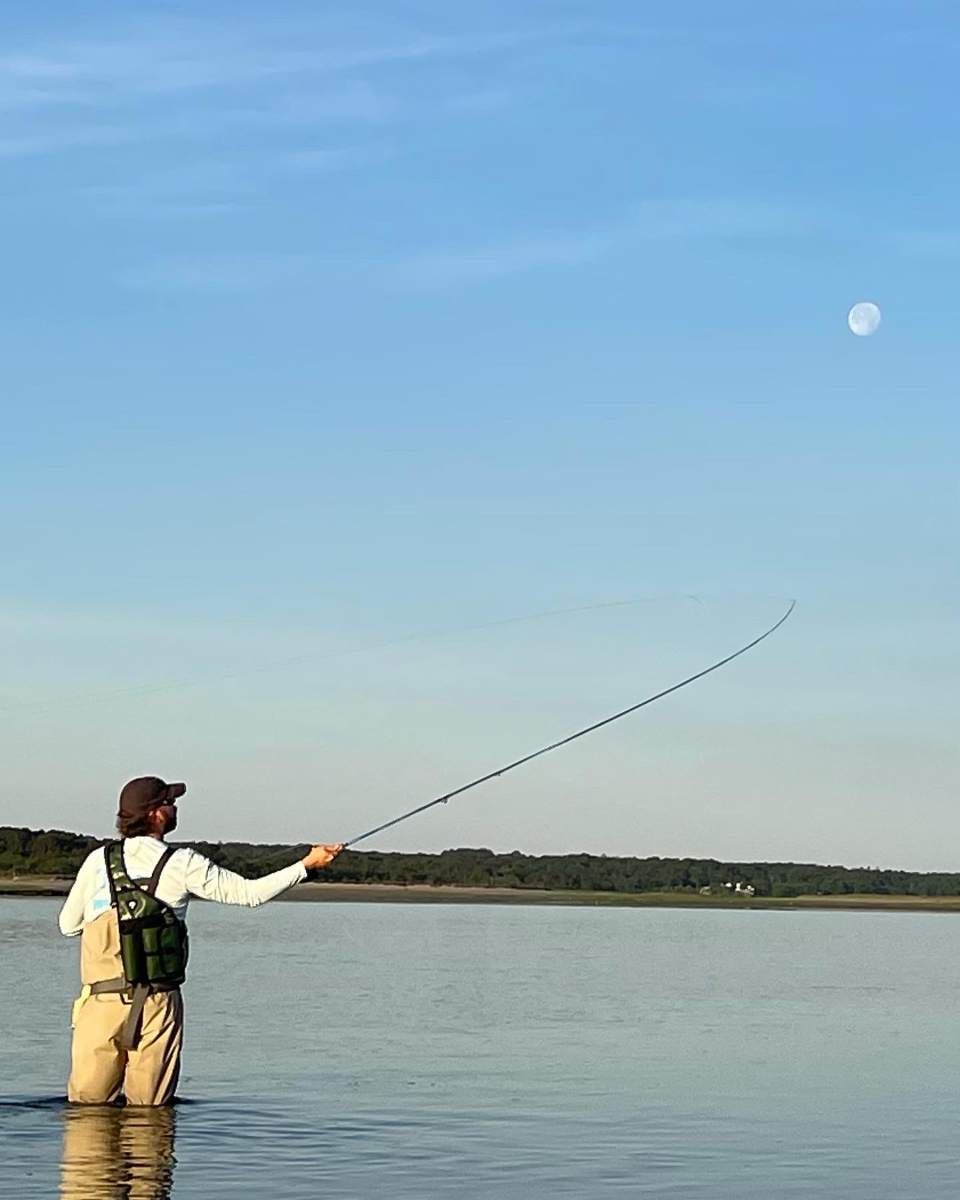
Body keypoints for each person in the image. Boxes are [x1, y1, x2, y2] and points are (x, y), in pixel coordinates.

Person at [59, 775, 342, 1106]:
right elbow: (249, 894)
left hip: (99, 1004)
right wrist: (307, 865)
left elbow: (68, 925)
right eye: (169, 802)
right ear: (153, 814)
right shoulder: (184, 863)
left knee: (87, 1113)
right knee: (150, 1115)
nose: (174, 806)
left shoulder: (98, 860)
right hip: (156, 1005)